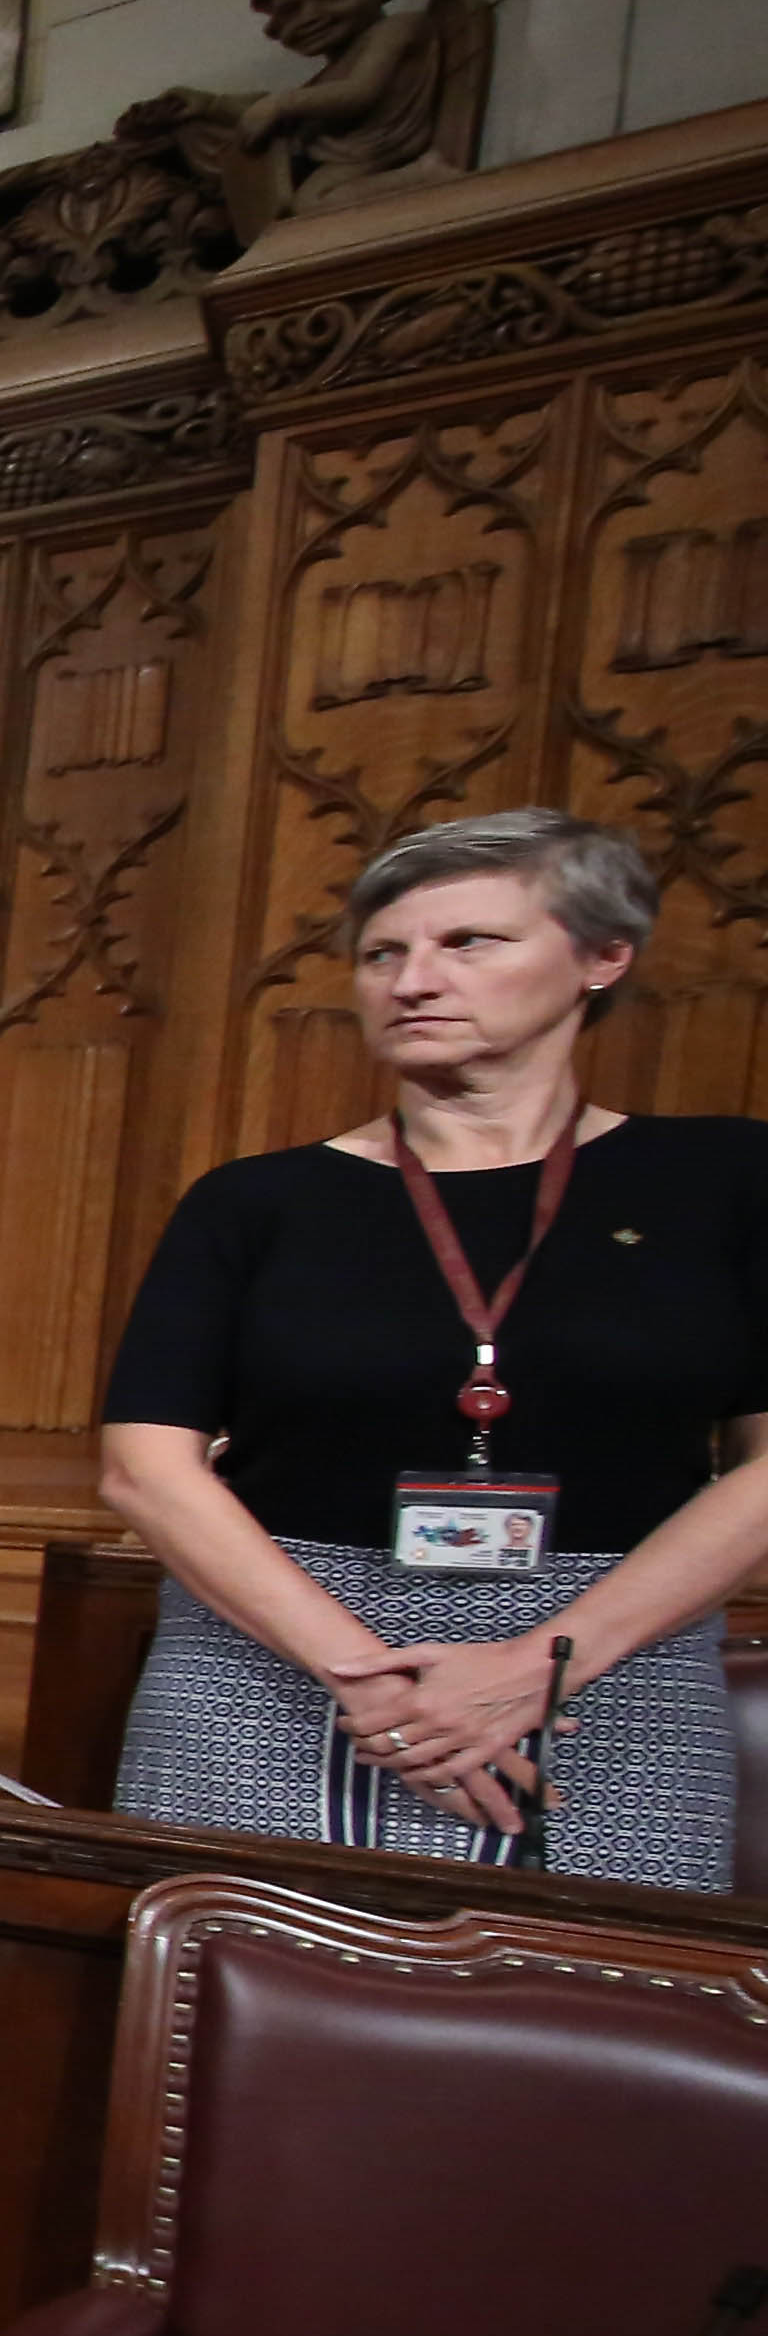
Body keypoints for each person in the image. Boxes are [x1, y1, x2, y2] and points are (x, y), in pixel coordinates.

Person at [99, 810, 768, 1893]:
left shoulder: (729, 1182)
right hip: (274, 1662)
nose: (413, 981)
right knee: (234, 2026)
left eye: (469, 943)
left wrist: (538, 1667)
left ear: (604, 957)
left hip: (613, 1669)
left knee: (589, 2032)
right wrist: (367, 1679)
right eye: (383, 954)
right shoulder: (256, 1203)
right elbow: (147, 1467)